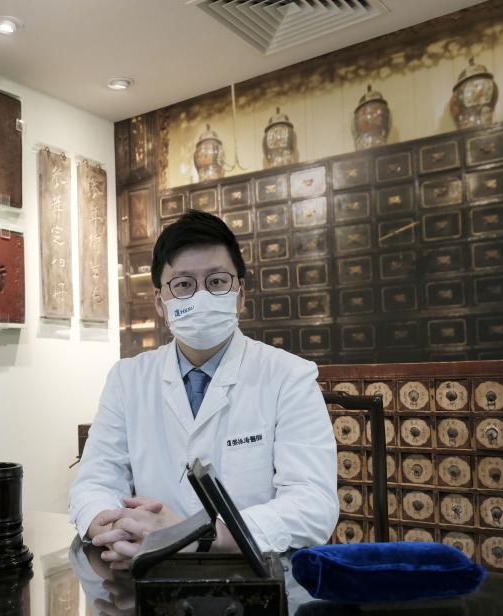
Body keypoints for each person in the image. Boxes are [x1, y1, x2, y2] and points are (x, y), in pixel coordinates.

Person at [68, 209, 337, 568]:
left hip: (254, 573)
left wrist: (199, 536)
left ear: (240, 294)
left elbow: (313, 505)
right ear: (161, 304)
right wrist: (115, 528)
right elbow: (93, 483)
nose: (201, 296)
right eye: (183, 285)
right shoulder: (127, 378)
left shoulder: (290, 376)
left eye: (217, 282)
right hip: (152, 572)